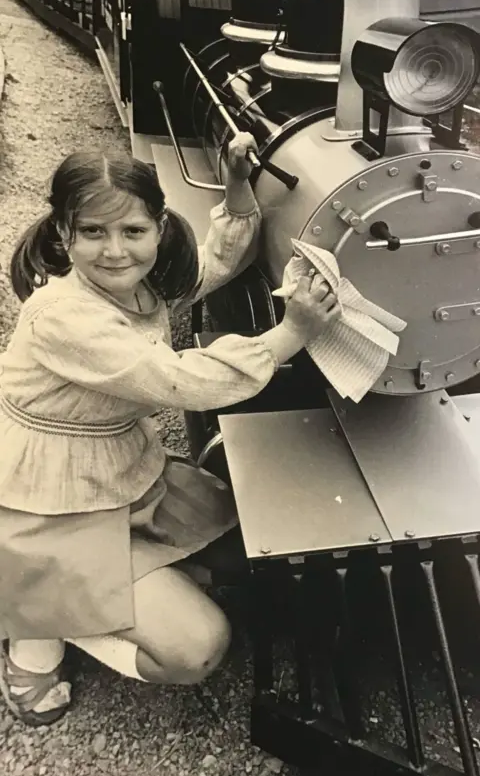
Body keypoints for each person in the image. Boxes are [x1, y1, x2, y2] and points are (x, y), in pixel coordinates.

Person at [0, 132, 340, 727]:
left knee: (244, 558)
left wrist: (236, 182)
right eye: (92, 233)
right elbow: (183, 382)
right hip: (46, 506)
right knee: (199, 647)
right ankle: (42, 621)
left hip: (116, 474)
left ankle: (97, 591)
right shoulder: (63, 316)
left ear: (158, 227)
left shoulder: (142, 285)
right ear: (63, 235)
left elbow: (217, 261)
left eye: (133, 231)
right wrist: (291, 334)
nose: (114, 251)